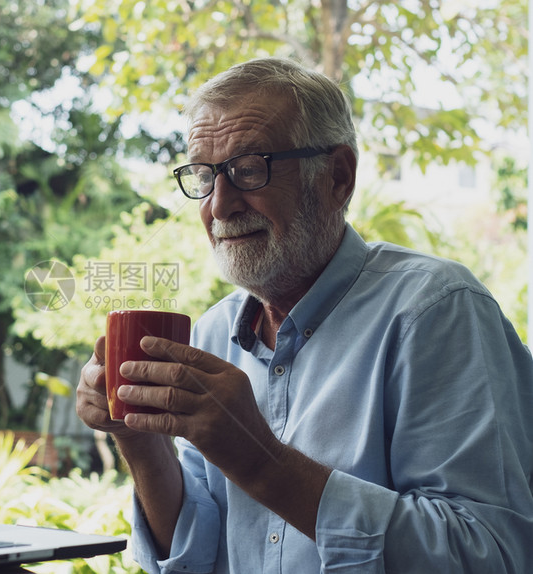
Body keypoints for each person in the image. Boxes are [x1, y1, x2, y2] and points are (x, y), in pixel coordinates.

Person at [75, 57, 533, 573]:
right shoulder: (211, 334)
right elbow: (195, 559)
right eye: (205, 175)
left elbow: (491, 554)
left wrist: (259, 460)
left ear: (338, 177)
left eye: (249, 169)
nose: (219, 205)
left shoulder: (436, 312)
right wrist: (139, 440)